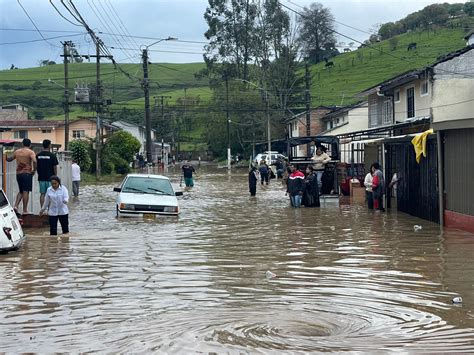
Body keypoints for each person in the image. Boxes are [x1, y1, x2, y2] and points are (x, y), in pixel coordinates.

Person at [6, 138, 37, 214]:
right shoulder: (30, 152)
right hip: (27, 174)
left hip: (19, 174)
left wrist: (5, 155)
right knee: (26, 191)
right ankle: (25, 210)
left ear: (22, 144)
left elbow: (9, 159)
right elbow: (35, 161)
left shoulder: (17, 152)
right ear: (30, 145)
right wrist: (34, 170)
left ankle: (16, 206)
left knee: (21, 191)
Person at [36, 139, 59, 207]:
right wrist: (55, 176)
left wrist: (39, 173)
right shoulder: (52, 155)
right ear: (49, 145)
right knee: (51, 194)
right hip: (51, 178)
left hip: (41, 177)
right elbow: (55, 167)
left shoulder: (38, 155)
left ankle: (43, 209)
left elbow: (36, 166)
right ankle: (50, 208)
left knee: (42, 194)